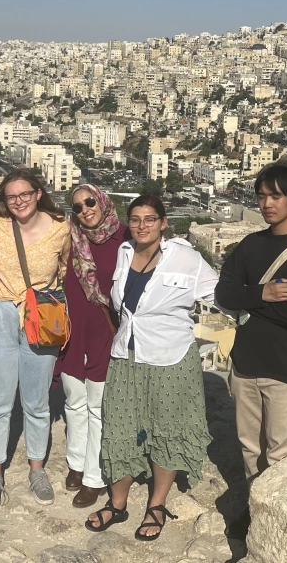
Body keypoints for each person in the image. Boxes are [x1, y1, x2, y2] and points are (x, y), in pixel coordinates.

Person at [85, 194, 217, 542]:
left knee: (166, 431)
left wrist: (261, 299)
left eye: (150, 219)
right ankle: (117, 503)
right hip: (126, 356)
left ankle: (156, 505)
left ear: (163, 223)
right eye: (135, 219)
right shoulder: (124, 252)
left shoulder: (186, 258)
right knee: (119, 428)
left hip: (170, 357)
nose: (142, 225)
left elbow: (220, 294)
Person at [215, 163, 287, 483]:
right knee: (250, 449)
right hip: (245, 365)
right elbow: (223, 294)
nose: (267, 204)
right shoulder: (251, 245)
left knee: (283, 455)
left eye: (275, 196)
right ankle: (253, 506)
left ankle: (276, 511)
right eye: (262, 196)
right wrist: (263, 293)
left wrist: (247, 300)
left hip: (286, 370)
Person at [0, 168, 71, 509]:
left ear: (38, 193)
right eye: (11, 196)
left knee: (37, 401)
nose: (19, 201)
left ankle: (37, 469)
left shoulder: (61, 228)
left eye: (25, 194)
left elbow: (67, 269)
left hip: (41, 315)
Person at [56, 184, 128, 508]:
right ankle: (76, 462)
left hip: (105, 333)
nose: (85, 210)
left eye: (89, 202)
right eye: (78, 207)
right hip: (73, 331)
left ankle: (94, 477)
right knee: (74, 400)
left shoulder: (124, 238)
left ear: (102, 202)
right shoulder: (69, 239)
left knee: (98, 406)